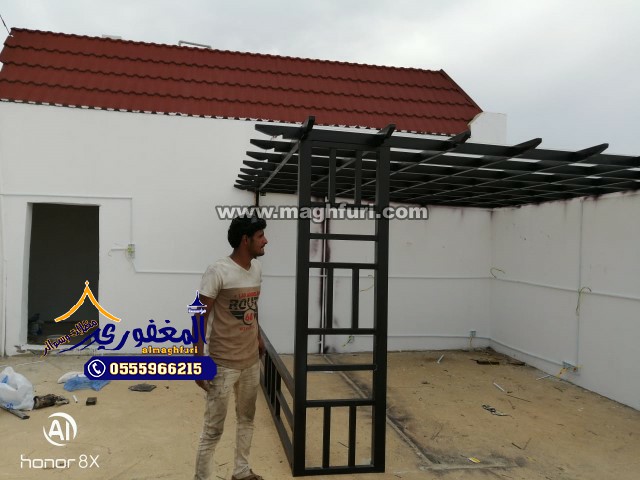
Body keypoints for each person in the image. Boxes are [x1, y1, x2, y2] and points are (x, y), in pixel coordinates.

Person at [193, 214, 268, 480]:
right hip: (222, 364)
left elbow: (252, 308)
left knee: (247, 419)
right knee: (213, 430)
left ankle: (241, 471)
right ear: (245, 240)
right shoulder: (218, 271)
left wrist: (257, 336)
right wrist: (198, 360)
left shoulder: (256, 269)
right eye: (260, 236)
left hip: (250, 361)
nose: (265, 241)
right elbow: (199, 315)